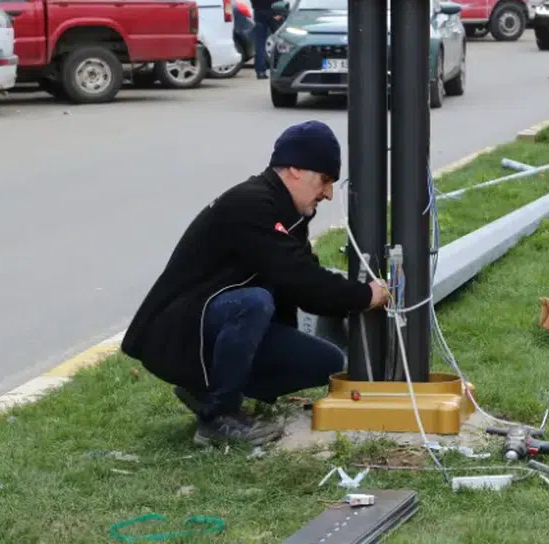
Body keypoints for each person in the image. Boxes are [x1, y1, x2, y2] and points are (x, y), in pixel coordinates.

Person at [121, 121, 391, 445]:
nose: (329, 193)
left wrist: (352, 297)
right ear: (295, 169)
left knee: (328, 362)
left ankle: (207, 389)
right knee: (254, 302)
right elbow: (301, 279)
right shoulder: (252, 204)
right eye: (325, 180)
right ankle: (218, 417)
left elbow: (309, 288)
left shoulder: (286, 212)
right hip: (176, 333)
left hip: (206, 326)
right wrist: (365, 295)